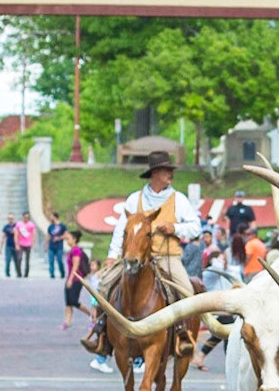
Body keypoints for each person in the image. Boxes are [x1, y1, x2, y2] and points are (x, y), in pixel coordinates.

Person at [83, 150, 204, 360]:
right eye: (167, 171)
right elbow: (122, 229)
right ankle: (100, 332)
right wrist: (112, 255)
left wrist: (174, 228)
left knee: (186, 291)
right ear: (155, 173)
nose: (171, 175)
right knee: (104, 285)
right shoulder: (134, 199)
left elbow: (196, 228)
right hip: (133, 257)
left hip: (167, 257)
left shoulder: (179, 200)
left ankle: (182, 334)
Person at [63, 229, 93, 332]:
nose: (67, 241)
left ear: (75, 239)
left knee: (74, 301)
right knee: (68, 303)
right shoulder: (71, 250)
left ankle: (91, 314)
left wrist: (70, 279)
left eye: (69, 239)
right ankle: (67, 322)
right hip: (70, 278)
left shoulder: (76, 251)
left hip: (76, 279)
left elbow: (75, 266)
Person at [14, 211, 38, 277]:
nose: (26, 218)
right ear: (23, 217)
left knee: (27, 260)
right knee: (19, 258)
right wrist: (16, 244)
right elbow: (16, 234)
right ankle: (19, 274)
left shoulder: (31, 224)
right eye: (25, 217)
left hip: (28, 244)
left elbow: (34, 234)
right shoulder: (19, 224)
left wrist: (34, 243)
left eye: (28, 217)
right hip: (21, 244)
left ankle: (26, 274)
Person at [46, 211, 68, 278]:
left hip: (59, 247)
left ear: (55, 217)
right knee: (51, 261)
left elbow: (66, 235)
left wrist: (59, 238)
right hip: (51, 246)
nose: (50, 217)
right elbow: (48, 236)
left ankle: (62, 273)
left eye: (51, 216)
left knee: (59, 260)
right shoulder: (50, 226)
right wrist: (45, 245)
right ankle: (52, 274)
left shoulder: (62, 226)